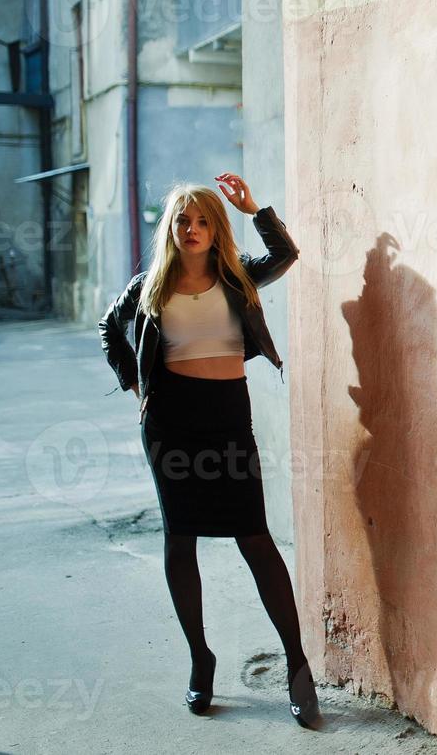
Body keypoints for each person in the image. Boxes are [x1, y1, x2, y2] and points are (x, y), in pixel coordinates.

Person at [96, 172, 320, 729]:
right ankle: (201, 658)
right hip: (171, 425)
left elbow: (285, 253)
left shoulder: (237, 275)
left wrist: (252, 208)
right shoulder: (150, 286)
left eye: (201, 220)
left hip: (227, 420)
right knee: (180, 539)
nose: (191, 229)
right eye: (182, 220)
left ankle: (297, 665)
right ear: (170, 229)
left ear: (215, 228)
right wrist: (137, 387)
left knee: (255, 538)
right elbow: (108, 328)